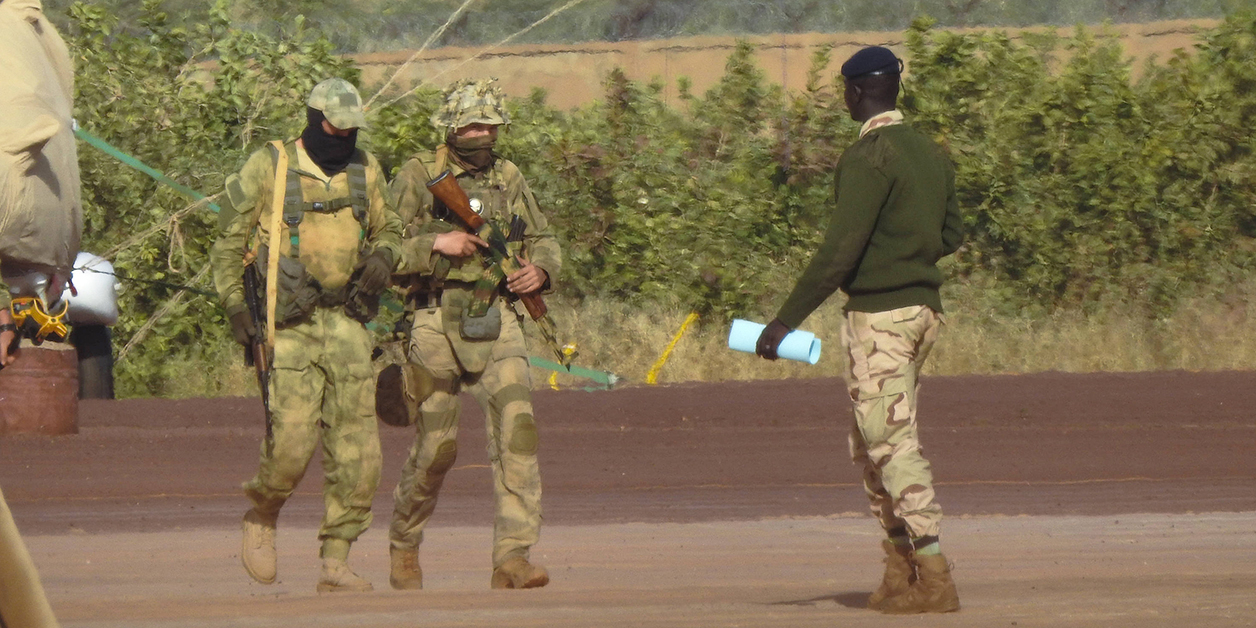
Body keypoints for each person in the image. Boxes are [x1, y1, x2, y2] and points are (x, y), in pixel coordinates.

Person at [755, 46, 963, 614]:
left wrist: (784, 322)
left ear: (854, 92)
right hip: (922, 313)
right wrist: (907, 251)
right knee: (871, 442)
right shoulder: (930, 152)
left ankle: (935, 576)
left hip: (881, 319)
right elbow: (951, 234)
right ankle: (900, 569)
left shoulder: (869, 156)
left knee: (892, 444)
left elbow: (839, 251)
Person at [209, 78, 402, 593]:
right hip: (287, 326)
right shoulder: (269, 165)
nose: (344, 137)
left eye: (351, 129)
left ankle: (336, 560)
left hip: (348, 323)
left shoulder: (366, 168)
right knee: (292, 443)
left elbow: (391, 227)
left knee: (360, 454)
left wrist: (385, 255)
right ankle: (263, 513)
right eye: (336, 128)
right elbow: (227, 244)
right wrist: (235, 307)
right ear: (315, 119)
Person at [385, 78, 560, 590]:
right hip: (433, 322)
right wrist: (435, 244)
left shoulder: (509, 176)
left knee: (518, 432)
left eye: (490, 125)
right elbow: (380, 247)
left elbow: (543, 236)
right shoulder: (419, 174)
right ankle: (404, 543)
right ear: (451, 127)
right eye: (471, 125)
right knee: (436, 449)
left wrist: (541, 272)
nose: (482, 134)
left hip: (496, 316)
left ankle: (513, 557)